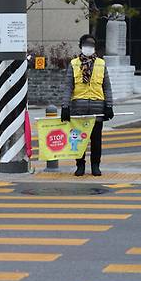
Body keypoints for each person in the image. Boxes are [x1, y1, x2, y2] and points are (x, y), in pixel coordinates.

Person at [61, 34, 114, 176]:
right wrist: (65, 107)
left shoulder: (101, 64)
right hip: (78, 108)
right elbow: (68, 87)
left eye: (91, 45)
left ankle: (95, 166)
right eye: (86, 44)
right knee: (78, 140)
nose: (88, 47)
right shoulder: (73, 64)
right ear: (80, 46)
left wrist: (109, 106)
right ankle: (80, 166)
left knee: (96, 140)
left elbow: (107, 87)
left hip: (97, 108)